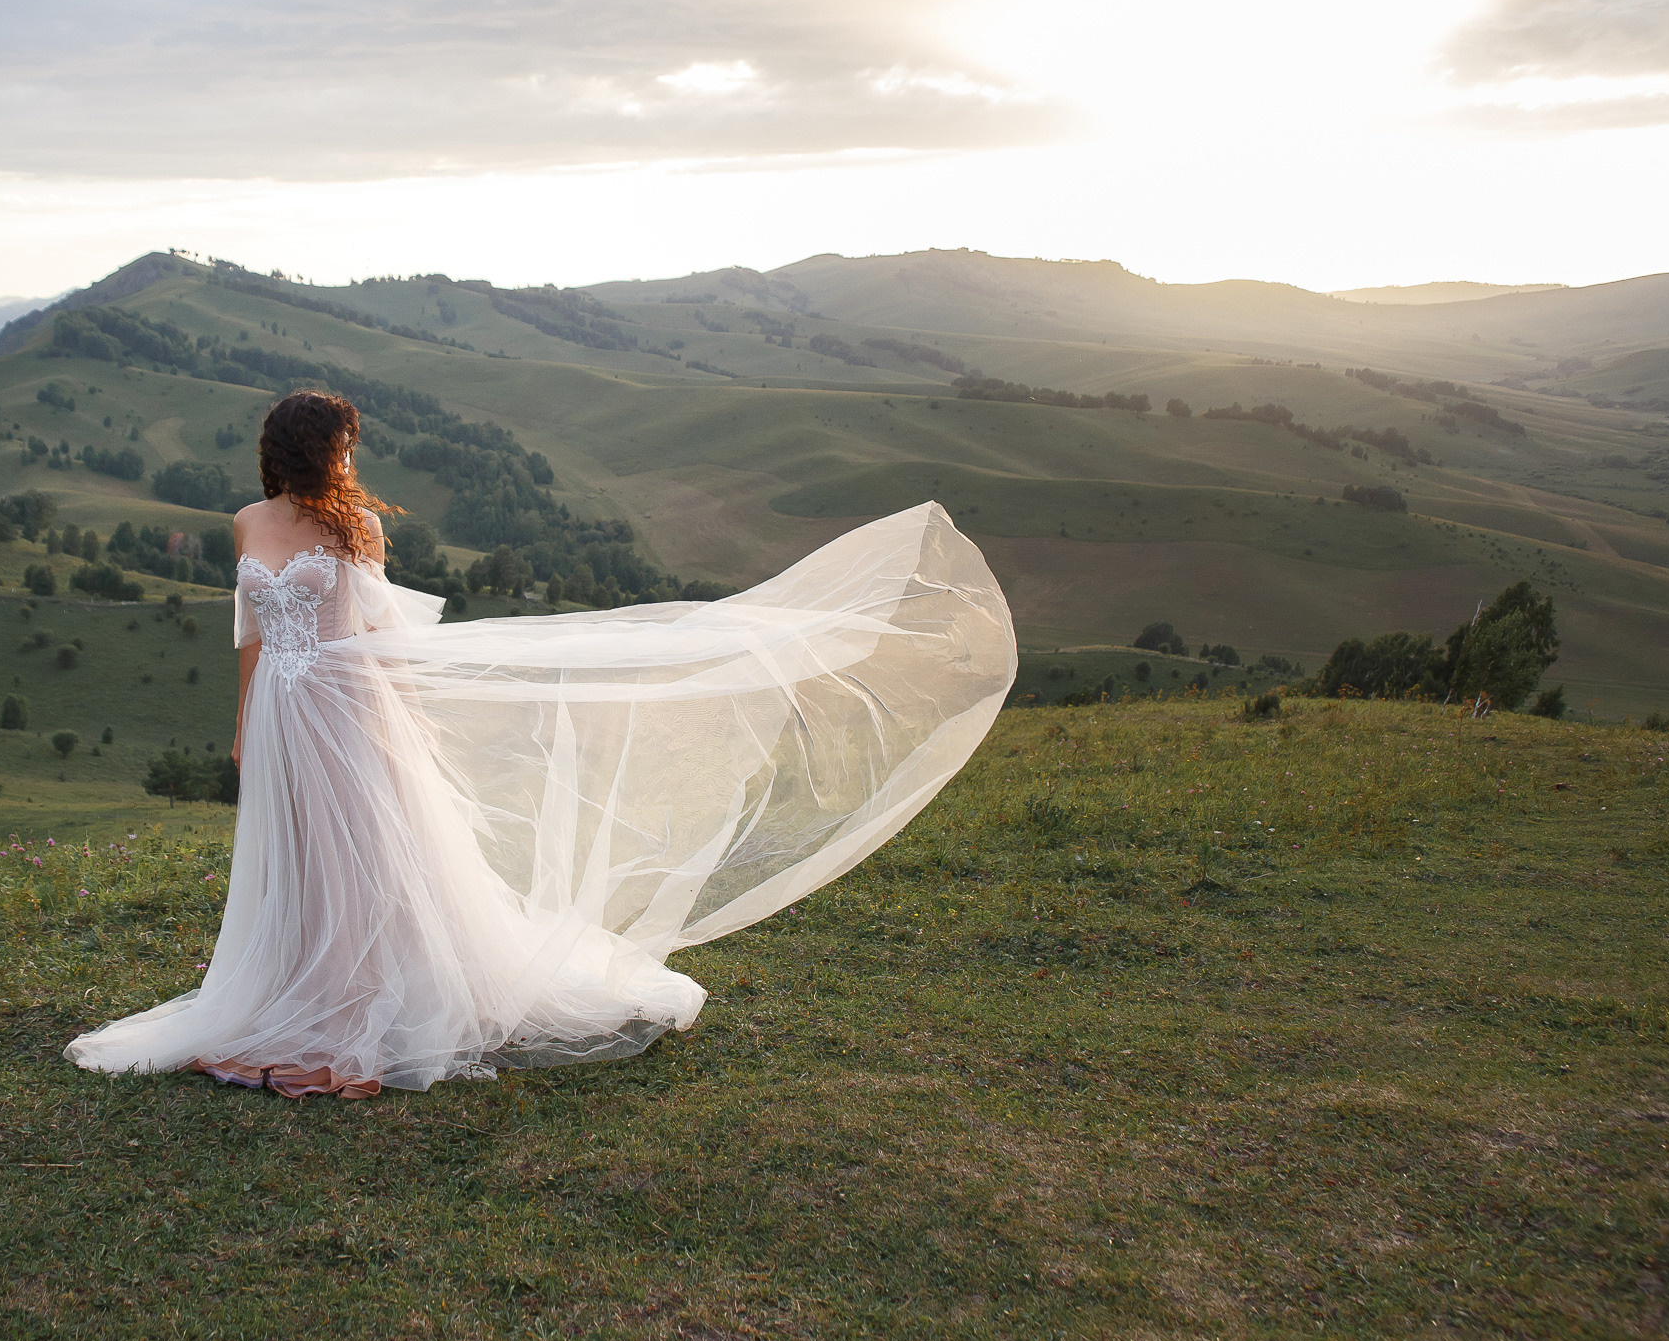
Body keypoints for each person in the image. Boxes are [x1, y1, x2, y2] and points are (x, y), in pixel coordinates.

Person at [65, 388, 1014, 1097]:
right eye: (343, 445)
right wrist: (241, 722)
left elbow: (377, 641)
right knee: (301, 857)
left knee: (364, 859)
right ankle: (288, 985)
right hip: (280, 708)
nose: (350, 460)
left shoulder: (350, 529)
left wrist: (409, 719)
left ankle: (353, 1015)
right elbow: (252, 632)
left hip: (348, 707)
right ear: (307, 448)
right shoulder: (248, 521)